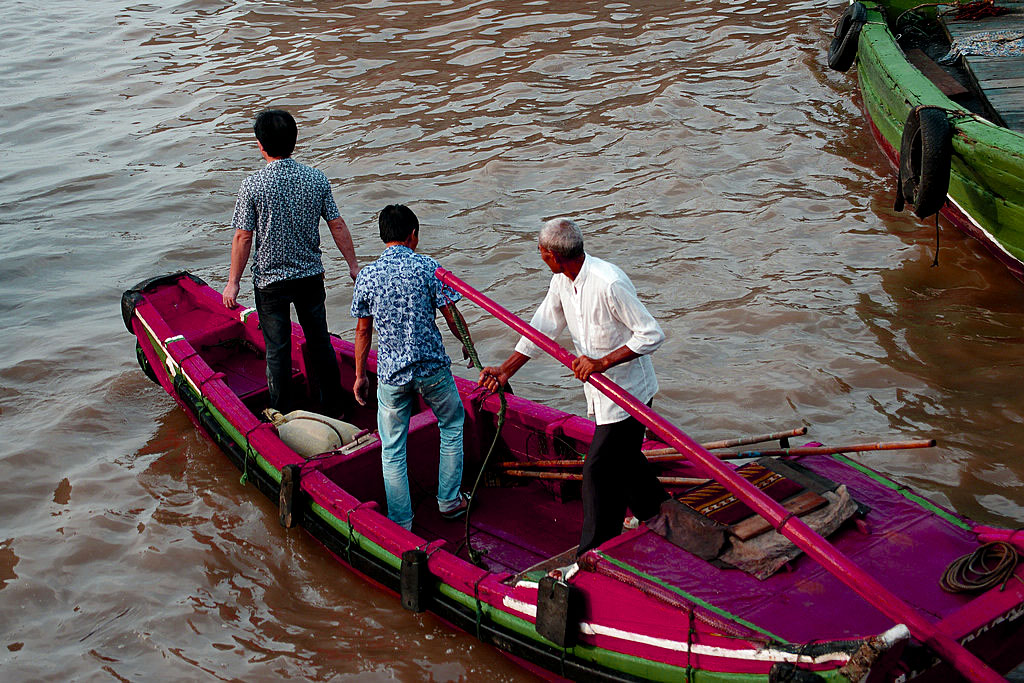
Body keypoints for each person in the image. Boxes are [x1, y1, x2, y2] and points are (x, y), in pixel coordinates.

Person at [479, 217, 669, 556]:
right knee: (625, 462)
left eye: (540, 250)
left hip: (628, 394)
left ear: (552, 255)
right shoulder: (562, 283)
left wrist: (601, 363)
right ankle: (660, 514)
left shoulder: (608, 282)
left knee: (596, 470)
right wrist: (506, 371)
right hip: (600, 394)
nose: (538, 254)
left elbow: (651, 334)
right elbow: (541, 330)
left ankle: (595, 550)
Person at [222, 109, 359, 417]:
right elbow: (337, 224)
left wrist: (233, 282)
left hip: (270, 281)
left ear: (260, 144)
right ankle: (333, 406)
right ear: (295, 141)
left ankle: (282, 413)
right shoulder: (316, 178)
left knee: (278, 350)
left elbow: (243, 237)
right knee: (320, 341)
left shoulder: (252, 185)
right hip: (310, 276)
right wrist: (353, 265)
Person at [351, 204, 473, 530]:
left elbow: (363, 330)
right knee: (451, 423)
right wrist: (467, 345)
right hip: (433, 369)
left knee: (392, 448)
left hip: (392, 374)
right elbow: (452, 316)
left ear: (382, 237)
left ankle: (401, 523)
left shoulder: (368, 275)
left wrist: (361, 374)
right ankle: (449, 501)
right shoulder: (429, 268)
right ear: (413, 235)